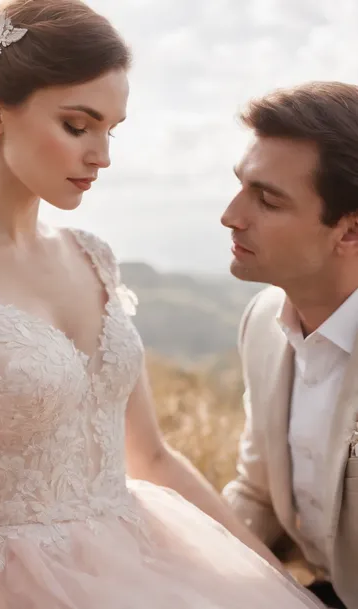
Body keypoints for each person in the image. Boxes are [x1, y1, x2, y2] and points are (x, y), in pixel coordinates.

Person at [0, 2, 323, 607]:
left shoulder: (94, 257)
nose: (102, 156)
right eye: (77, 125)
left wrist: (272, 577)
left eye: (110, 129)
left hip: (138, 559)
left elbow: (153, 456)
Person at [221, 81, 358, 609]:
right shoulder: (261, 324)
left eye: (267, 200)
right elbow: (257, 492)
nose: (231, 215)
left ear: (350, 232)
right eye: (240, 185)